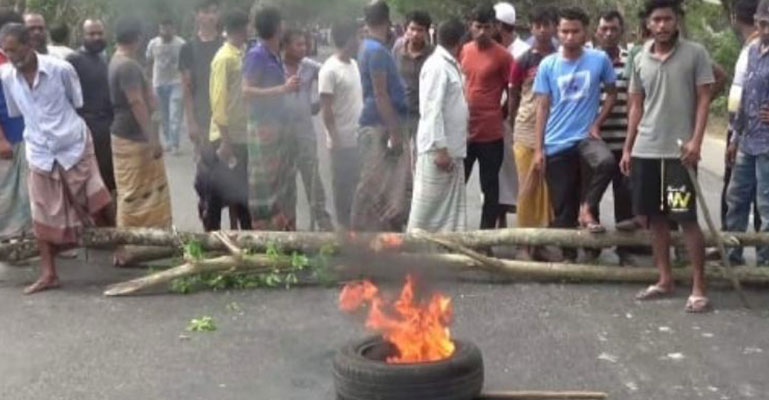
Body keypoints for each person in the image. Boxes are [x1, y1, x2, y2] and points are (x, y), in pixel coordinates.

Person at [0, 23, 112, 294]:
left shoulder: (61, 69)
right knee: (41, 212)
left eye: (15, 49)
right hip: (39, 150)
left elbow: (76, 103)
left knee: (98, 197)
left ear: (28, 44)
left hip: (72, 144)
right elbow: (18, 111)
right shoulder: (6, 77)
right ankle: (49, 273)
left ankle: (121, 245)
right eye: (6, 51)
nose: (11, 56)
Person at [620, 0, 715, 313]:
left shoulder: (695, 53)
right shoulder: (639, 56)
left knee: (684, 219)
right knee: (654, 219)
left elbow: (704, 99)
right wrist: (628, 147)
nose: (661, 26)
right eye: (656, 20)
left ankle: (699, 287)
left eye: (667, 19)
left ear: (677, 21)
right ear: (648, 23)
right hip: (646, 150)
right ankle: (664, 279)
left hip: (679, 155)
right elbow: (635, 105)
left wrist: (696, 141)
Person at [532, 7, 618, 260]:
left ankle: (589, 223)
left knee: (606, 163)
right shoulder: (548, 65)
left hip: (585, 139)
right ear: (558, 33)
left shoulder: (599, 59)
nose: (569, 37)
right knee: (562, 205)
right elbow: (542, 107)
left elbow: (612, 93)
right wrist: (538, 149)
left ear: (586, 32)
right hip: (556, 142)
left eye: (575, 31)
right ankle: (568, 254)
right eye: (565, 31)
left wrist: (598, 122)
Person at [108, 16, 173, 266]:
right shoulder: (128, 66)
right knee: (132, 194)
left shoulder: (116, 60)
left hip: (124, 134)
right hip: (134, 138)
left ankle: (155, 241)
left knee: (144, 190)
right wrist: (152, 137)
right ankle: (125, 247)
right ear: (137, 38)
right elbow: (136, 102)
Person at [350, 1, 411, 232]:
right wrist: (394, 131)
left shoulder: (369, 47)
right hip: (379, 126)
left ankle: (385, 230)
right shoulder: (375, 51)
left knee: (388, 183)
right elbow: (380, 93)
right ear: (387, 21)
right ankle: (360, 233)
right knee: (373, 182)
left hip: (379, 124)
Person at [407, 18, 469, 233]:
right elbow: (432, 110)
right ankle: (415, 255)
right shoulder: (437, 66)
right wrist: (441, 149)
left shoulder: (449, 64)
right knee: (426, 212)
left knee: (448, 214)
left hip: (452, 150)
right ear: (460, 41)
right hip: (438, 151)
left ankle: (445, 256)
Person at [593, 10, 644, 265]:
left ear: (621, 31)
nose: (609, 34)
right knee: (590, 196)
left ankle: (625, 251)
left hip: (625, 140)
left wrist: (631, 143)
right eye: (604, 29)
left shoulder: (632, 59)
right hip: (596, 142)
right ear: (597, 31)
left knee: (625, 197)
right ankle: (590, 248)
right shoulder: (588, 60)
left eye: (614, 29)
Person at [242, 6, 298, 231]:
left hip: (278, 126)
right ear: (278, 26)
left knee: (281, 184)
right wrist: (282, 89)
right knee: (265, 187)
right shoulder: (256, 54)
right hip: (263, 127)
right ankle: (265, 235)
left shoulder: (273, 53)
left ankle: (283, 231)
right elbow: (246, 91)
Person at [509, 6, 558, 260]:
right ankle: (523, 242)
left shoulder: (562, 57)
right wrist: (512, 122)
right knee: (527, 187)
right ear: (531, 28)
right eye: (537, 25)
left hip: (554, 128)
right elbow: (514, 94)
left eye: (546, 24)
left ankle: (541, 240)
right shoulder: (523, 60)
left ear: (554, 28)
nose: (542, 30)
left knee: (545, 190)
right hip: (526, 128)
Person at [460, 3, 513, 230]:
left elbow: (513, 92)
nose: (482, 32)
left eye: (487, 27)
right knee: (456, 184)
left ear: (495, 28)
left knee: (490, 187)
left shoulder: (504, 56)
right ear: (471, 27)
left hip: (490, 133)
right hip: (463, 131)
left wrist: (502, 114)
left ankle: (486, 238)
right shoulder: (464, 50)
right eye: (478, 26)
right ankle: (456, 233)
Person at [725, 0, 769, 266]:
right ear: (756, 23)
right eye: (762, 23)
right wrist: (734, 137)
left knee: (766, 205)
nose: (766, 29)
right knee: (736, 199)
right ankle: (733, 256)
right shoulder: (752, 51)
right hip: (746, 140)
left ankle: (765, 262)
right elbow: (741, 98)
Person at [282, 29, 334, 231]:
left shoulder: (310, 67)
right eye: (298, 44)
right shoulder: (276, 67)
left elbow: (329, 75)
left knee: (312, 179)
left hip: (305, 134)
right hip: (282, 135)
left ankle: (323, 220)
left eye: (305, 44)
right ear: (285, 46)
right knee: (286, 182)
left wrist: (320, 102)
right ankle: (288, 225)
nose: (303, 48)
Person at [204, 9, 252, 232]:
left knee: (237, 191)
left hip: (240, 134)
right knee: (220, 192)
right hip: (226, 137)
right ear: (240, 29)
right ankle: (211, 237)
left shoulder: (239, 54)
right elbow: (218, 101)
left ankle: (247, 238)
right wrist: (225, 141)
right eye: (247, 26)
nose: (250, 30)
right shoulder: (223, 59)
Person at [722, 0, 761, 238]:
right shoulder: (751, 48)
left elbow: (738, 94)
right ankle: (732, 248)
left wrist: (733, 127)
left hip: (750, 129)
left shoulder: (755, 49)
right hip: (741, 129)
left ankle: (757, 252)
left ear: (735, 17)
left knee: (753, 195)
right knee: (737, 194)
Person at [319, 21, 363, 229]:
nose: (360, 41)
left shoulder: (354, 64)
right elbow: (326, 110)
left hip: (358, 139)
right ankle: (344, 233)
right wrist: (335, 138)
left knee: (357, 188)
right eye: (357, 36)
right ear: (349, 39)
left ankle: (355, 229)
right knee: (342, 190)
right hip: (341, 143)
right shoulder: (329, 69)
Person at [67, 19, 116, 201]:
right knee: (93, 179)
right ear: (82, 36)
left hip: (108, 126)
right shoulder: (73, 61)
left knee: (110, 176)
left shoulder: (105, 58)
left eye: (99, 33)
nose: (96, 37)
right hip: (88, 128)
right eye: (91, 34)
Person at [494, 1, 525, 227]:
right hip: (497, 126)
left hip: (521, 125)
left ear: (500, 26)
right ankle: (499, 219)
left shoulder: (522, 52)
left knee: (520, 178)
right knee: (496, 176)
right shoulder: (492, 50)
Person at [0, 9, 30, 243]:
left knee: (25, 190)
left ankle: (23, 235)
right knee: (7, 190)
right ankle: (9, 238)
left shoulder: (21, 58)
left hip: (26, 133)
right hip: (7, 136)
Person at [392, 10, 433, 163]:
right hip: (401, 111)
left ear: (426, 32)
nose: (415, 34)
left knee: (421, 156)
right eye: (412, 29)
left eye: (420, 30)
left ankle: (418, 186)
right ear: (405, 29)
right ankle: (403, 186)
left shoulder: (432, 54)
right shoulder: (397, 49)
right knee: (398, 156)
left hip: (422, 113)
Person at [180, 0, 222, 151]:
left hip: (227, 118)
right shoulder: (188, 49)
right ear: (197, 16)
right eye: (205, 12)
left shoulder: (226, 45)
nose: (210, 16)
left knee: (229, 170)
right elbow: (186, 87)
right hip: (202, 116)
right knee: (205, 168)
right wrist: (191, 122)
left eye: (214, 11)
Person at [146, 19, 186, 154]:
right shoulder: (153, 44)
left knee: (174, 114)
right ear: (159, 29)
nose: (165, 31)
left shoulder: (181, 44)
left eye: (168, 28)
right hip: (159, 83)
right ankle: (168, 140)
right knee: (163, 114)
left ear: (173, 29)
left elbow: (186, 65)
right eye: (163, 28)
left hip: (176, 82)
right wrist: (149, 82)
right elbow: (149, 62)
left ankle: (175, 143)